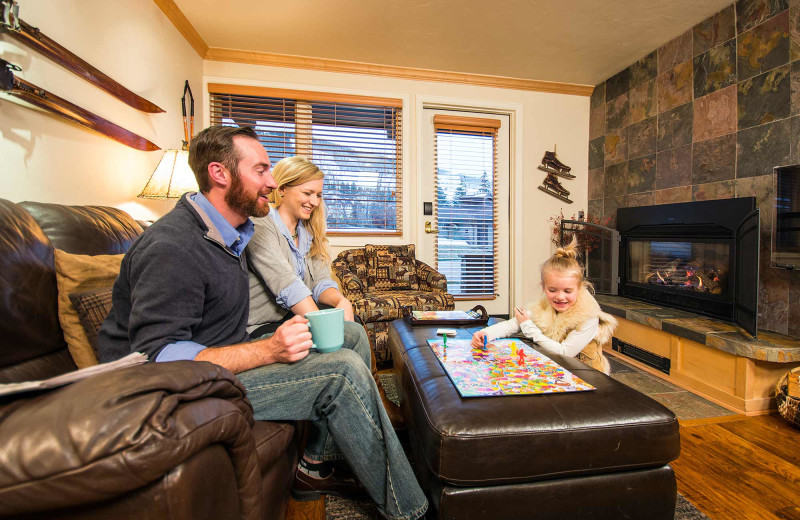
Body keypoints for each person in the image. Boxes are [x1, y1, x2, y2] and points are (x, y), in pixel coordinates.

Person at [97, 126, 428, 520]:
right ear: (220, 174)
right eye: (261, 170)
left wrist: (293, 332)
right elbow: (160, 358)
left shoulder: (232, 232)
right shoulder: (174, 246)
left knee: (350, 338)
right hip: (170, 389)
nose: (272, 182)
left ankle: (316, 464)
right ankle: (412, 512)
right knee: (341, 372)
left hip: (220, 359)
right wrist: (269, 349)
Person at [245, 155, 404, 427]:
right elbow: (286, 285)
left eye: (318, 194)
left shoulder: (308, 232)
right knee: (348, 334)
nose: (314, 202)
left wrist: (342, 301)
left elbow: (320, 281)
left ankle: (367, 408)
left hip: (294, 320)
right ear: (281, 190)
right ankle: (370, 410)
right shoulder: (261, 224)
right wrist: (324, 323)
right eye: (307, 193)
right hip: (263, 328)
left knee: (353, 327)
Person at [471, 237, 616, 374]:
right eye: (552, 290)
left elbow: (565, 353)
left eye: (567, 291)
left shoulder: (588, 316)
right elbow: (513, 324)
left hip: (589, 377)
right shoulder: (542, 306)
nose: (560, 296)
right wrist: (486, 334)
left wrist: (529, 328)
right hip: (558, 371)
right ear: (544, 287)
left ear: (579, 288)